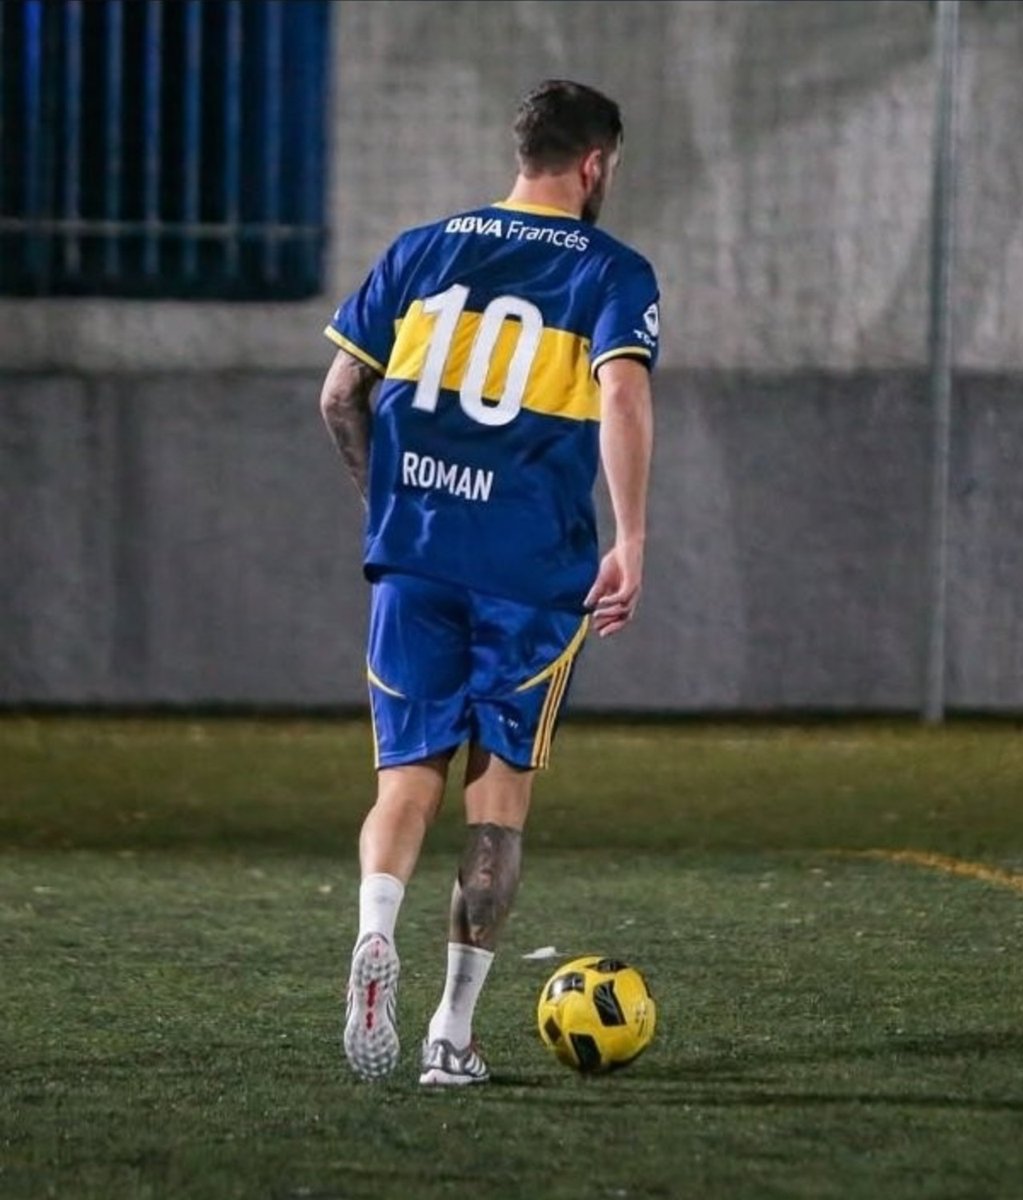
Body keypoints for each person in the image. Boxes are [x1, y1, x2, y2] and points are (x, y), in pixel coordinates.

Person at [317, 80, 659, 1086]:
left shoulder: (421, 248)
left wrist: (390, 503)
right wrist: (631, 538)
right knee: (495, 803)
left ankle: (374, 929)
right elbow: (624, 394)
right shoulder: (614, 270)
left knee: (405, 780)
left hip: (415, 555)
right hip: (531, 571)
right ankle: (448, 1035)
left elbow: (340, 393)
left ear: (526, 153)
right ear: (593, 165)